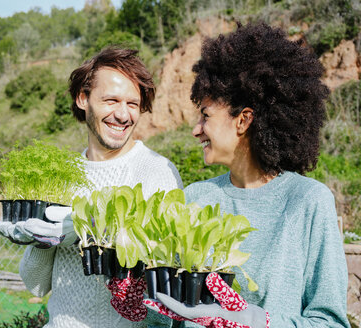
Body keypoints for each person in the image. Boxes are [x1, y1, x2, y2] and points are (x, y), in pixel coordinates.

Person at [145, 23, 350, 328]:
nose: (196, 130)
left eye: (205, 116)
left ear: (243, 121)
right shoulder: (195, 197)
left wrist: (260, 322)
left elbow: (330, 323)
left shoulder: (308, 201)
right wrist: (144, 305)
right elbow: (171, 316)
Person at [0, 48, 183, 328]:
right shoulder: (64, 177)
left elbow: (168, 283)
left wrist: (95, 232)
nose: (122, 114)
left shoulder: (156, 171)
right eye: (111, 100)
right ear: (83, 99)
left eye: (132, 103)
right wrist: (41, 241)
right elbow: (35, 286)